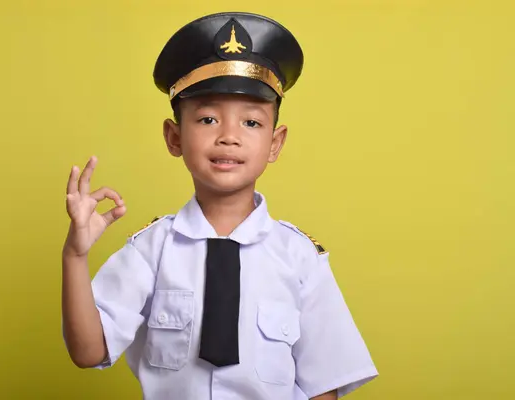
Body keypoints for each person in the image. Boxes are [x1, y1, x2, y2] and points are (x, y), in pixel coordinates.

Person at [61, 11, 378, 400]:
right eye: (208, 118)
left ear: (275, 143)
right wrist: (75, 256)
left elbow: (323, 383)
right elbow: (89, 351)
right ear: (174, 137)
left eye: (251, 123)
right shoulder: (151, 251)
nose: (229, 136)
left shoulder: (299, 258)